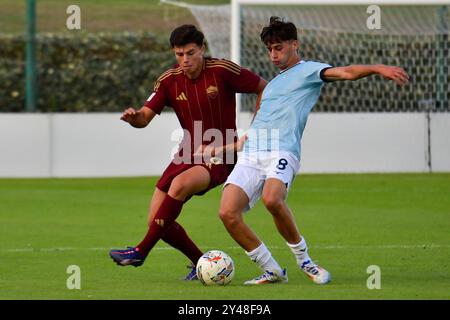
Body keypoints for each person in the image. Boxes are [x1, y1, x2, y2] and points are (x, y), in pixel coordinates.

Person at [217, 17, 409, 284]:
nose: (273, 54)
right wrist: (226, 147)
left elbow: (346, 72)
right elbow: (257, 127)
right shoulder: (271, 86)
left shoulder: (308, 71)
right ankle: (272, 270)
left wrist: (378, 68)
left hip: (283, 151)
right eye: (269, 49)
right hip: (252, 154)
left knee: (273, 200)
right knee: (227, 213)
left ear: (294, 44)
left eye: (279, 47)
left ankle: (305, 261)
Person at [109, 24, 266, 280]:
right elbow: (144, 118)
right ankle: (199, 263)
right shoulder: (168, 80)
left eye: (190, 53)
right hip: (186, 154)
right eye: (179, 54)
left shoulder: (222, 70)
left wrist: (258, 125)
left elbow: (263, 86)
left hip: (220, 152)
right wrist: (134, 117)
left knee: (180, 185)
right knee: (156, 221)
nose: (185, 60)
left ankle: (140, 252)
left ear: (202, 48)